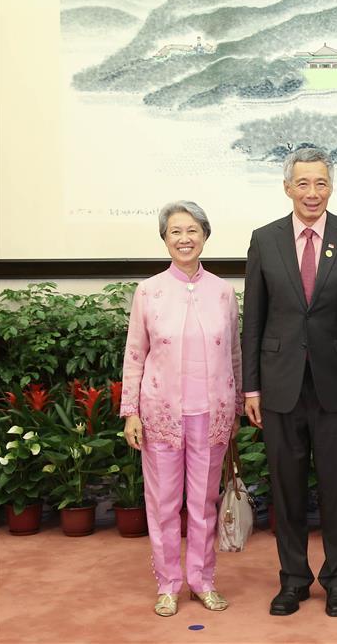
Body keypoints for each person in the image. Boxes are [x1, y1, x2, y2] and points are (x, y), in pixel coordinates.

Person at [242, 147, 337, 618]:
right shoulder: (264, 239)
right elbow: (253, 321)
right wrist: (251, 387)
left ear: (331, 186)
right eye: (303, 183)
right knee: (286, 489)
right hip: (279, 386)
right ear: (287, 188)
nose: (312, 192)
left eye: (320, 183)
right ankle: (293, 580)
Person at [120, 201, 243, 617]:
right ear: (165, 239)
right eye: (175, 231)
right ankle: (169, 584)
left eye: (192, 230)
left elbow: (236, 355)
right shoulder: (148, 291)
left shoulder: (224, 292)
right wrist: (130, 412)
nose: (184, 238)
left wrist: (238, 406)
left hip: (212, 416)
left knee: (204, 504)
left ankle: (203, 581)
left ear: (205, 235)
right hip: (160, 417)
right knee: (164, 504)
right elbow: (134, 355)